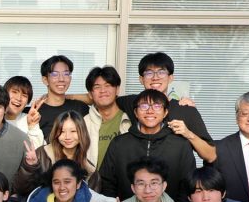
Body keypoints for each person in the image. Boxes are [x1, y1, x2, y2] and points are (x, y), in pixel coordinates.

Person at [70, 52, 214, 162]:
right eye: (149, 72)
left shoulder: (186, 110)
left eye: (161, 72)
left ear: (171, 77)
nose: (155, 77)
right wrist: (62, 96)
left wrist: (188, 134)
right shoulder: (132, 102)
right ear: (141, 79)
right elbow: (104, 96)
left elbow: (211, 156)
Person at [99, 89, 196, 202]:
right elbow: (107, 183)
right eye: (144, 106)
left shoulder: (181, 145)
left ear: (165, 112)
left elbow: (187, 185)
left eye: (157, 106)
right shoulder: (119, 143)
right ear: (135, 112)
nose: (150, 111)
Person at [14, 109, 94, 198]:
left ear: (82, 133)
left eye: (73, 131)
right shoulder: (42, 154)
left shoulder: (90, 169)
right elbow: (20, 189)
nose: (67, 137)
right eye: (62, 132)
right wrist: (30, 166)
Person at [83, 66, 132, 172]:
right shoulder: (84, 123)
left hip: (125, 184)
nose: (103, 91)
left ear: (117, 90)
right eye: (97, 87)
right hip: (94, 185)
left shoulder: (130, 120)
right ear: (91, 94)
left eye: (108, 85)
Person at [31, 55, 89, 140]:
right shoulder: (35, 112)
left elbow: (100, 100)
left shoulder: (80, 108)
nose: (61, 79)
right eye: (55, 74)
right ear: (45, 80)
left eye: (66, 74)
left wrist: (70, 96)